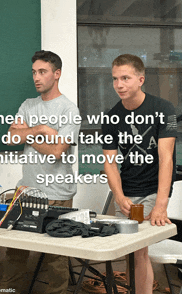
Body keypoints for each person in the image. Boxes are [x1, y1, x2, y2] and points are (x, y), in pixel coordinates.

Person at [0, 50, 80, 294]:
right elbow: (11, 137)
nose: (36, 77)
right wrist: (42, 129)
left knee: (56, 259)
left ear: (56, 74)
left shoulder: (69, 111)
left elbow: (57, 151)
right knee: (14, 253)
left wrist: (30, 132)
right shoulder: (28, 105)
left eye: (42, 72)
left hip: (58, 194)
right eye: (34, 72)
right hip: (25, 191)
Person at [102, 54, 177, 294]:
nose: (119, 85)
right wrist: (119, 197)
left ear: (141, 79)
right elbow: (110, 163)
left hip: (153, 190)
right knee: (132, 252)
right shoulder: (110, 116)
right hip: (127, 191)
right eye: (115, 79)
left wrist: (161, 203)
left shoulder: (163, 109)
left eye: (125, 78)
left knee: (139, 249)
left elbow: (167, 159)